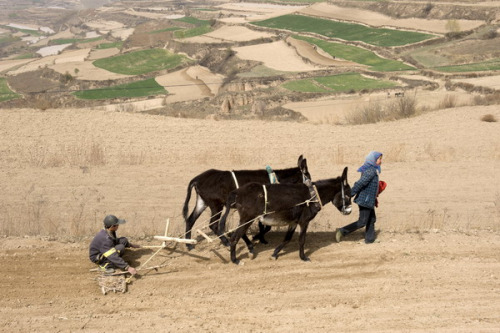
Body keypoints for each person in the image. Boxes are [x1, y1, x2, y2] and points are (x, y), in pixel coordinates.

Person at [335, 151, 385, 244]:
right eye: (379, 159)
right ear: (373, 160)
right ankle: (342, 231)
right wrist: (350, 194)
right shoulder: (371, 171)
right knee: (362, 222)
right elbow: (360, 183)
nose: (381, 160)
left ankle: (370, 239)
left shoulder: (372, 169)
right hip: (365, 200)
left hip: (369, 200)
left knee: (372, 219)